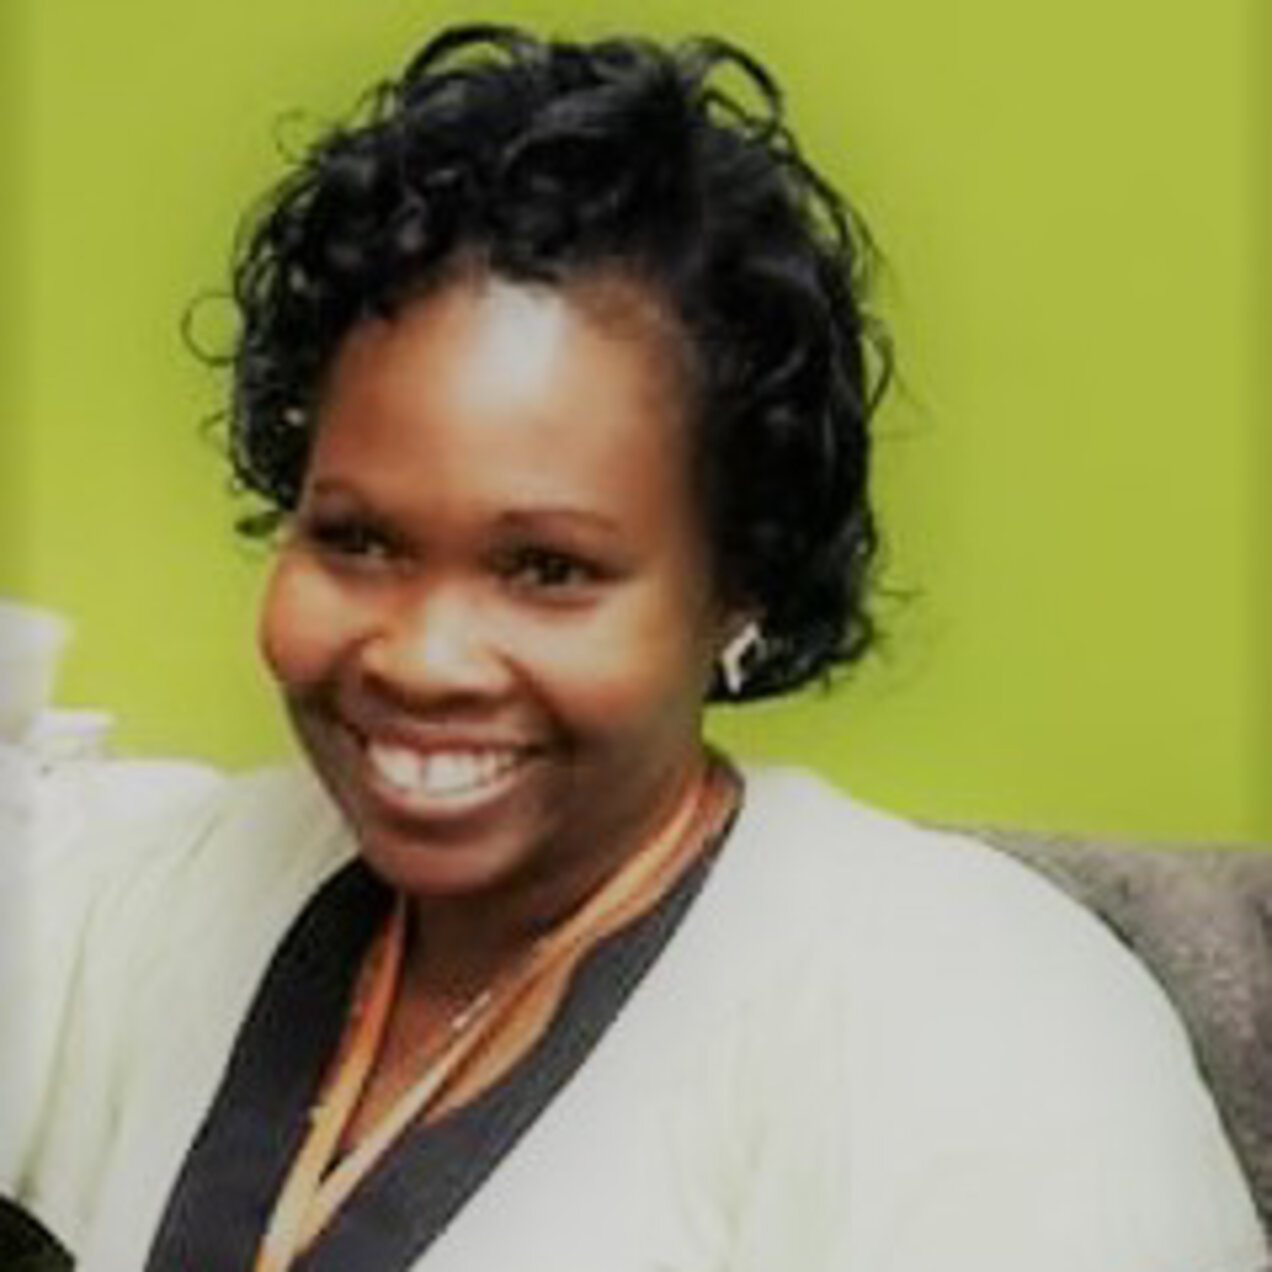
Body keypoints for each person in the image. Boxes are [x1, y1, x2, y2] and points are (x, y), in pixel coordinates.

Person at [0, 23, 1264, 1272]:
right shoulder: (165, 900)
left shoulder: (982, 1029)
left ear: (740, 580)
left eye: (548, 570)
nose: (422, 654)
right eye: (358, 540)